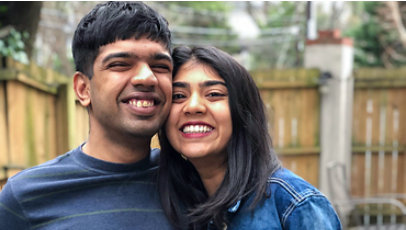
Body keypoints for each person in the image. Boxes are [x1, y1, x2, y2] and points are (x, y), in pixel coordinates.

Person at [0, 2, 175, 229]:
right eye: (120, 64)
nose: (147, 77)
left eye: (160, 66)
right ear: (83, 89)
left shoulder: (195, 183)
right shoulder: (24, 199)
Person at [158, 46, 342, 230]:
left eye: (214, 94)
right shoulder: (168, 202)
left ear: (243, 111)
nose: (193, 106)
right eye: (178, 96)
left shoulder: (293, 204)